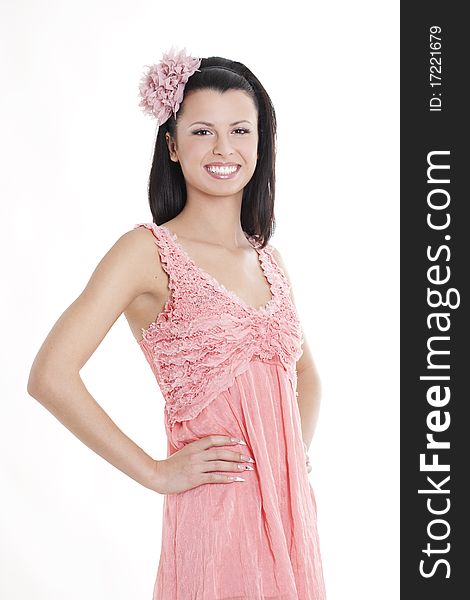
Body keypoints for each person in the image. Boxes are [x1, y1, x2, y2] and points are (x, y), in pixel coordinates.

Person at [27, 47, 326, 600]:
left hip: (290, 518)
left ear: (262, 142)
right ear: (172, 144)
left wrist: (288, 457)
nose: (223, 149)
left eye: (240, 130)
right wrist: (156, 472)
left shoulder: (268, 258)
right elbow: (50, 375)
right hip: (215, 518)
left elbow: (307, 377)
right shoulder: (146, 252)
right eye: (202, 131)